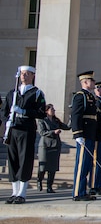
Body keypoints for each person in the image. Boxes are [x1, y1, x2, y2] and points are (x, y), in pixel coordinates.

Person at [2, 65, 46, 204]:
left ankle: (22, 192)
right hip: (13, 129)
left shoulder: (37, 93)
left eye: (27, 74)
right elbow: (4, 111)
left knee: (24, 160)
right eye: (22, 73)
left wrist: (23, 111)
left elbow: (41, 113)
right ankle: (14, 192)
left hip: (26, 129)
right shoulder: (12, 93)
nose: (24, 76)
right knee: (13, 160)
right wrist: (7, 121)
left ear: (33, 76)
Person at [70, 70, 99, 201]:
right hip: (84, 134)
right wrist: (78, 134)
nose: (94, 83)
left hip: (91, 134)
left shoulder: (90, 96)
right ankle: (78, 192)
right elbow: (76, 115)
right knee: (81, 164)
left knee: (87, 164)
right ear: (85, 82)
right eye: (92, 80)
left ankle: (83, 190)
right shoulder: (80, 96)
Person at [37, 103, 70, 193]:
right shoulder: (42, 120)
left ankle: (49, 186)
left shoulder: (56, 121)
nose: (53, 111)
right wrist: (53, 132)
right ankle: (39, 180)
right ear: (47, 111)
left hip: (55, 145)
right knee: (43, 166)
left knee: (52, 167)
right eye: (52, 109)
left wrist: (71, 118)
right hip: (45, 145)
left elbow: (66, 127)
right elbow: (42, 132)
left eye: (54, 109)